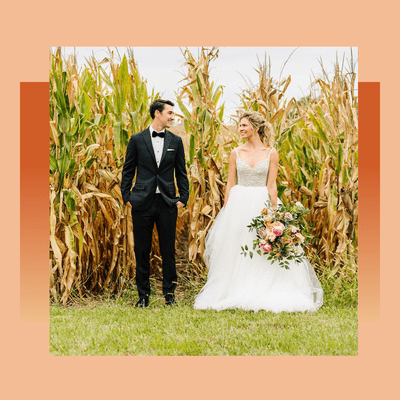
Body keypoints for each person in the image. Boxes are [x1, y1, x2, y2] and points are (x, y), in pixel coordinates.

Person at [194, 111, 323, 312]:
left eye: (244, 126)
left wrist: (275, 215)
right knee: (239, 247)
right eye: (240, 126)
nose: (241, 129)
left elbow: (272, 186)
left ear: (255, 127)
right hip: (238, 204)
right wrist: (227, 212)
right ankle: (237, 288)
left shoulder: (271, 152)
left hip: (262, 203)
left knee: (263, 246)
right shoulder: (236, 153)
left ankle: (265, 287)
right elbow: (229, 184)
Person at [121, 99, 189, 307]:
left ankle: (170, 295)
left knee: (168, 250)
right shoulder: (137, 139)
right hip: (141, 202)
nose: (172, 117)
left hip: (168, 202)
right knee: (142, 250)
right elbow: (128, 170)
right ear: (157, 113)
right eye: (169, 113)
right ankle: (143, 296)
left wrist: (183, 199)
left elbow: (181, 173)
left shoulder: (175, 142)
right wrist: (127, 197)